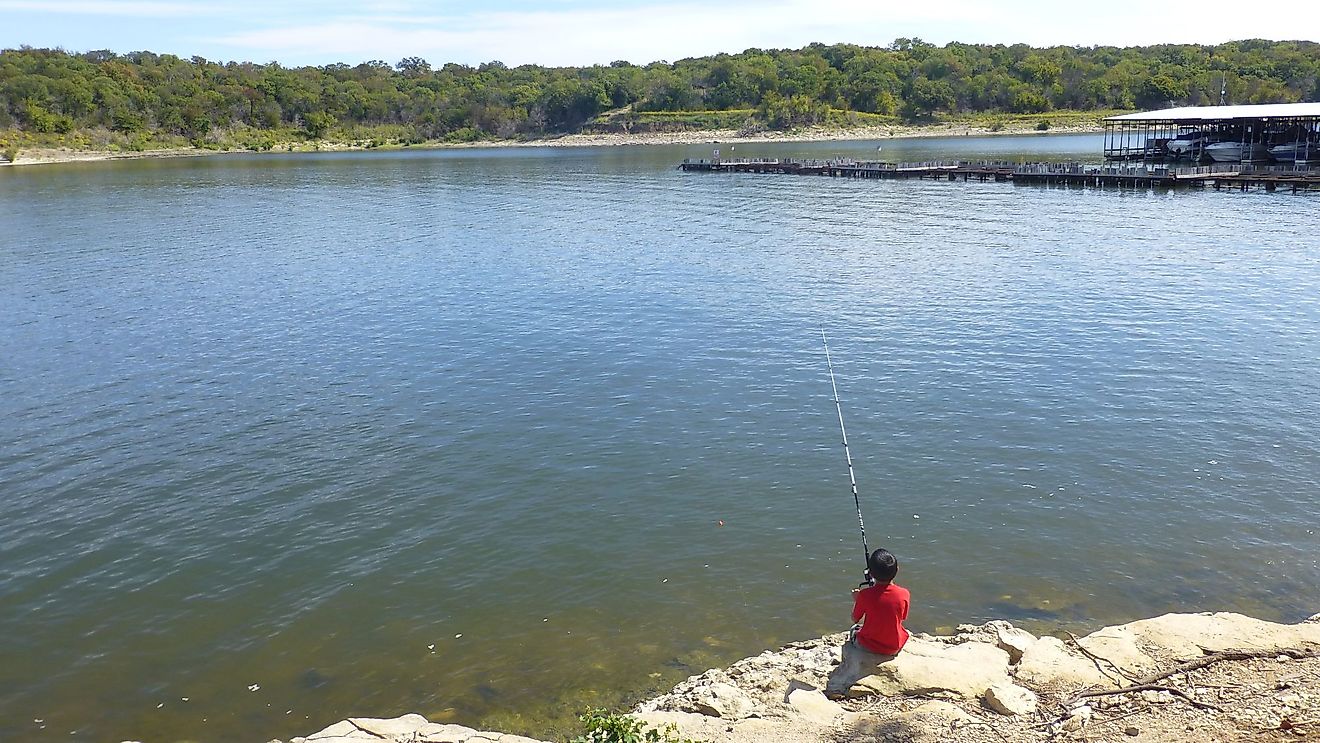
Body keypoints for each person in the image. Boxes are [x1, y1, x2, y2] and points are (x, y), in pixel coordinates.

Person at [823, 548, 910, 700]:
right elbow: (902, 616)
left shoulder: (864, 596)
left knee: (853, 630)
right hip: (894, 646)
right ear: (897, 569)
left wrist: (858, 599)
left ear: (870, 573)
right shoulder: (904, 593)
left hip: (869, 646)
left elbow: (855, 619)